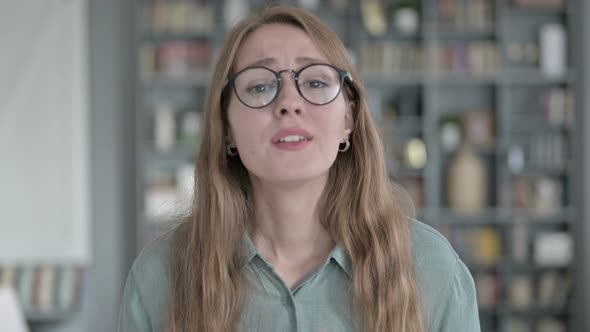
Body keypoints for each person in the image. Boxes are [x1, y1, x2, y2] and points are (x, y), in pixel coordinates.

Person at [118, 4, 480, 332]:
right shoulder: (159, 276)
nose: (289, 102)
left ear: (348, 119)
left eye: (316, 82)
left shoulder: (433, 268)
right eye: (260, 86)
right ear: (226, 127)